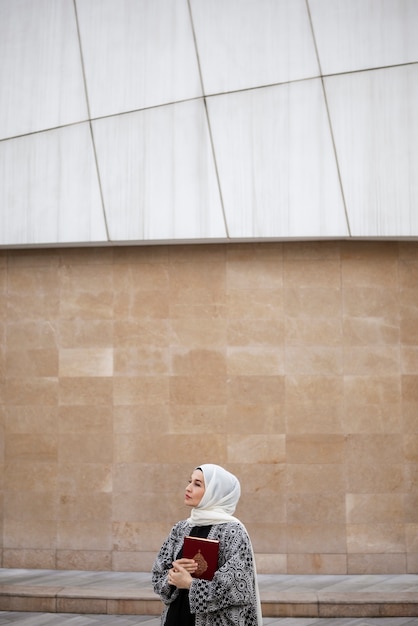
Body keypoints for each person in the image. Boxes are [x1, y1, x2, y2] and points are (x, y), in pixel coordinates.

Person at [152, 463, 263, 626]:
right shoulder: (181, 528)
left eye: (197, 484)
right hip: (176, 617)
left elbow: (238, 587)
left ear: (215, 492)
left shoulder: (232, 531)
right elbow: (158, 574)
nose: (188, 488)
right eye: (189, 481)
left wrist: (190, 584)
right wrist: (173, 575)